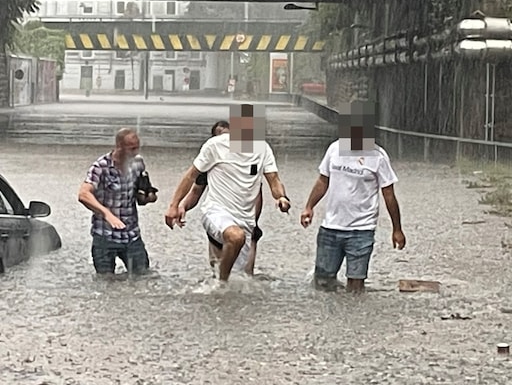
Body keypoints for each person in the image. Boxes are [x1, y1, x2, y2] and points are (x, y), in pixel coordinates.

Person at [165, 107, 291, 282]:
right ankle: (221, 283)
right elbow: (191, 177)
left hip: (246, 220)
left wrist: (281, 197)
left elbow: (274, 179)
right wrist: (175, 206)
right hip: (216, 211)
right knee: (234, 237)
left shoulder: (263, 149)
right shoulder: (215, 146)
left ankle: (221, 288)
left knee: (241, 280)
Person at [299, 111, 406, 293]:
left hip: (361, 230)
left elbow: (388, 194)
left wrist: (397, 229)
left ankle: (355, 318)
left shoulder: (378, 156)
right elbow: (323, 181)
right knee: (322, 283)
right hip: (331, 227)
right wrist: (309, 207)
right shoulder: (334, 149)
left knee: (355, 286)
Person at [177, 120, 263, 276]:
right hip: (220, 221)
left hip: (247, 224)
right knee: (219, 272)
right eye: (220, 136)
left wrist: (253, 223)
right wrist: (182, 206)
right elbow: (196, 192)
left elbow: (258, 195)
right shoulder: (210, 161)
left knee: (246, 275)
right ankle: (219, 294)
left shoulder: (250, 160)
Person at [78, 128, 157, 276]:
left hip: (131, 235)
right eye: (132, 148)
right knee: (105, 283)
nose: (136, 152)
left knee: (143, 278)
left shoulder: (138, 163)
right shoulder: (101, 167)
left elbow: (140, 196)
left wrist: (147, 197)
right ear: (119, 147)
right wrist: (107, 214)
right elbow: (83, 194)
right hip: (105, 236)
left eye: (137, 147)